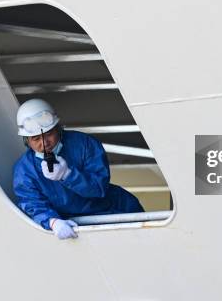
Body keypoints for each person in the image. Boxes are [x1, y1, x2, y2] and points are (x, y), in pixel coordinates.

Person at [12, 98, 145, 240]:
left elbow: (99, 188)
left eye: (49, 134)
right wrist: (53, 222)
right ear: (26, 141)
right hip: (70, 223)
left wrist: (68, 175)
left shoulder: (85, 144)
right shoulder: (24, 170)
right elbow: (31, 203)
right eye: (36, 139)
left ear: (58, 128)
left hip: (114, 210)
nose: (44, 143)